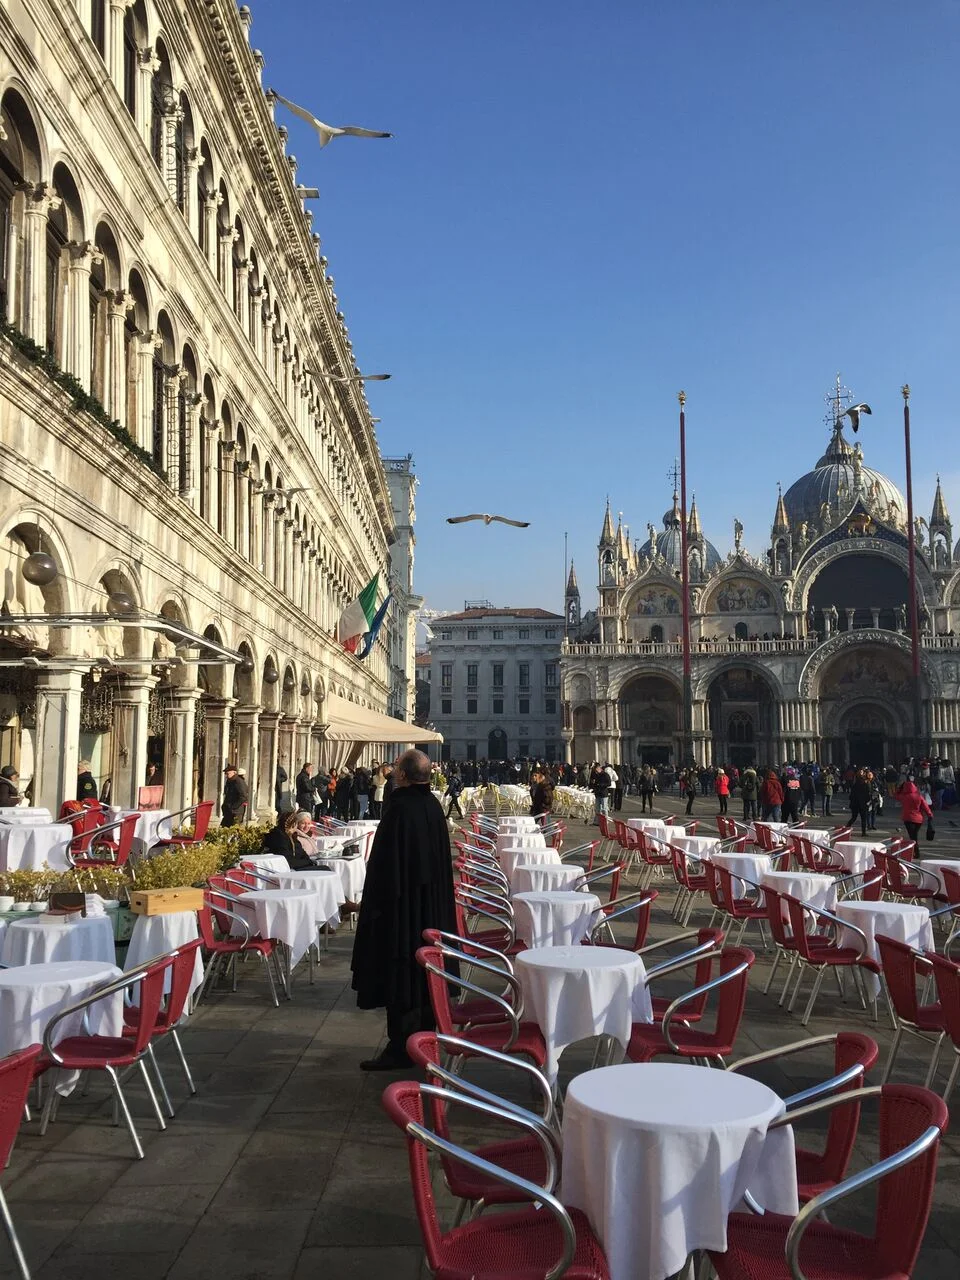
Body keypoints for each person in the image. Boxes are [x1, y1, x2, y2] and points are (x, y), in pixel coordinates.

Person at [351, 749, 456, 1070]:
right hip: (431, 909)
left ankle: (401, 1048)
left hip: (400, 911)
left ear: (403, 776)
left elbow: (384, 866)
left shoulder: (398, 810)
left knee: (401, 974)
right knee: (426, 975)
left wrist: (373, 908)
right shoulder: (433, 807)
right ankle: (426, 1037)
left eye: (397, 769)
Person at [896, 775, 932, 843]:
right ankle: (915, 850)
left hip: (908, 818)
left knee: (912, 836)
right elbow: (925, 806)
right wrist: (930, 815)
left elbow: (896, 796)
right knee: (914, 835)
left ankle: (915, 851)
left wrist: (900, 789)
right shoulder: (919, 796)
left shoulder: (903, 797)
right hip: (918, 819)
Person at [849, 768, 872, 837]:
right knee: (863, 818)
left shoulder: (855, 784)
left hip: (856, 803)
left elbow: (851, 795)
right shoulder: (865, 784)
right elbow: (868, 794)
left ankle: (846, 828)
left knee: (854, 818)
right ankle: (863, 832)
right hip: (862, 803)